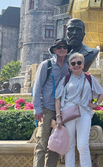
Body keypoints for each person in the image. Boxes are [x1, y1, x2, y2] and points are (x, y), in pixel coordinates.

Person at [54, 53, 103, 167]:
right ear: (70, 66)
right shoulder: (66, 79)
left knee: (83, 145)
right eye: (73, 63)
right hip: (69, 113)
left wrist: (95, 104)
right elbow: (58, 99)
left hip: (84, 113)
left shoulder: (89, 78)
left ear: (83, 64)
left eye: (79, 63)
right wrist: (58, 116)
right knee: (70, 145)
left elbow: (102, 92)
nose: (76, 65)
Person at [32, 38, 71, 167]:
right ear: (54, 49)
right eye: (59, 47)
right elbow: (37, 87)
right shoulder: (46, 65)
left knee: (55, 144)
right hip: (47, 109)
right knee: (42, 143)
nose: (62, 49)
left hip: (61, 110)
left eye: (64, 47)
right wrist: (37, 109)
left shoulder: (69, 66)